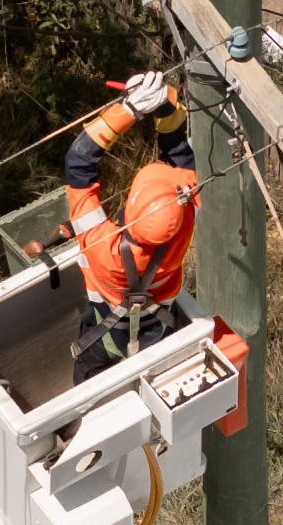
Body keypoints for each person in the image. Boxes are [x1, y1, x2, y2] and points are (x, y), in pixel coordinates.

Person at [65, 68, 201, 381]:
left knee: (86, 380)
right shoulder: (186, 220)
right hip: (158, 331)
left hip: (104, 338)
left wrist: (130, 109)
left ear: (130, 206)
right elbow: (178, 151)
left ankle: (73, 427)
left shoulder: (102, 245)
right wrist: (163, 107)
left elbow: (78, 163)